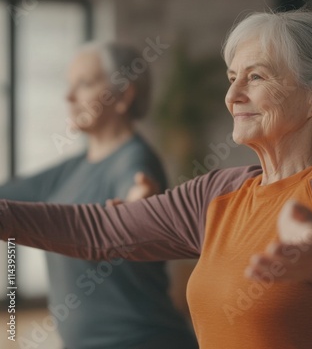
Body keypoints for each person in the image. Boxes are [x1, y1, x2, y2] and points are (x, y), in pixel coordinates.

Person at [0, 10, 312, 349]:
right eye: (231, 77)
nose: (233, 95)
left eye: (255, 77)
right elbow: (100, 229)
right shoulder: (218, 192)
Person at [0, 43, 198, 349]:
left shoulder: (135, 161)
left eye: (85, 84)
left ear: (124, 95)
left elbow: (133, 202)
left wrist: (137, 206)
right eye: (70, 84)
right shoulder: (74, 168)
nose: (69, 97)